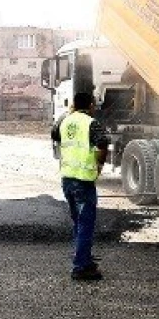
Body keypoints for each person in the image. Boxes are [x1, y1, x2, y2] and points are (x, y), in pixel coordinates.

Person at [50, 92, 109, 281]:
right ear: (91, 105)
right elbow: (102, 144)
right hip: (83, 181)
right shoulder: (92, 123)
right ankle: (80, 267)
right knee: (85, 224)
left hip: (67, 179)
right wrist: (99, 165)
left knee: (78, 222)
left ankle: (83, 258)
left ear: (73, 105)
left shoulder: (64, 121)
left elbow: (54, 135)